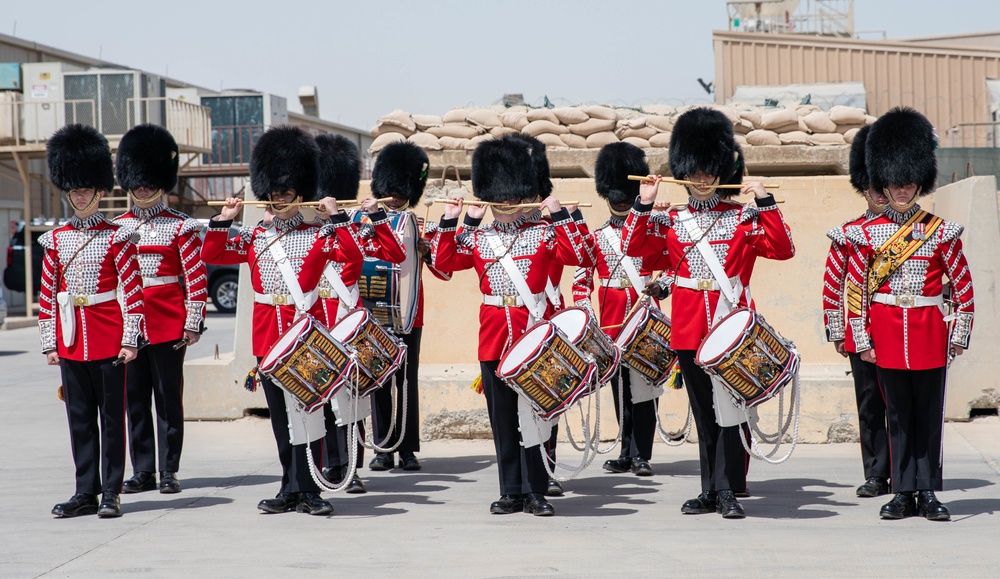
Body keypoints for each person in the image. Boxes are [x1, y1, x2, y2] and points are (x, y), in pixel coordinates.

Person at [622, 107, 795, 519]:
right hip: (688, 328)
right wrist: (643, 204)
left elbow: (783, 248)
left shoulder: (742, 216)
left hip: (730, 327)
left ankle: (729, 488)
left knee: (732, 412)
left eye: (708, 171)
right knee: (705, 415)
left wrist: (766, 201)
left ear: (720, 171)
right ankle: (711, 489)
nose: (701, 179)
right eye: (694, 171)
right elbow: (632, 248)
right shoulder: (670, 220)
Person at [202, 125, 362, 516]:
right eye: (272, 194)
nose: (277, 200)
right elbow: (214, 254)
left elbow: (352, 260)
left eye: (285, 193)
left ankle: (310, 488)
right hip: (267, 340)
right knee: (280, 423)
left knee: (309, 418)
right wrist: (224, 220)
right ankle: (289, 486)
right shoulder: (257, 235)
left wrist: (337, 217)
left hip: (303, 337)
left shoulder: (318, 234)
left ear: (299, 193)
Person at [431, 135, 589, 516]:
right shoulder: (480, 237)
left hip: (533, 336)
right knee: (503, 421)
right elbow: (442, 262)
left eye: (511, 196)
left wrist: (559, 214)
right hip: (494, 337)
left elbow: (580, 254)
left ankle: (536, 490)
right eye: (498, 197)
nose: (504, 205)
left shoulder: (544, 233)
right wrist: (451, 220)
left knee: (535, 417)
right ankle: (510, 490)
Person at [848, 107, 974, 521]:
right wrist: (862, 340)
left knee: (928, 417)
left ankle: (928, 492)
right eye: (895, 184)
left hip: (928, 332)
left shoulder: (941, 230)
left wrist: (959, 334)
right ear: (884, 182)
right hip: (885, 331)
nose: (902, 191)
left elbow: (962, 285)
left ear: (920, 182)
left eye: (908, 184)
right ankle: (902, 491)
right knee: (897, 416)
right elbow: (856, 294)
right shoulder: (863, 234)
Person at [40, 124, 146, 518]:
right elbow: (47, 296)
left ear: (100, 192)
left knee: (111, 420)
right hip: (71, 339)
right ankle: (85, 490)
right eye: (75, 190)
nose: (80, 196)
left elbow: (132, 292)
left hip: (108, 337)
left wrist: (131, 338)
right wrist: (50, 342)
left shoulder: (117, 236)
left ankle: (111, 492)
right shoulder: (55, 240)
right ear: (68, 192)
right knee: (79, 419)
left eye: (86, 190)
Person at [113, 124, 207, 496]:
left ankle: (169, 469)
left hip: (168, 323)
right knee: (135, 401)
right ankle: (143, 470)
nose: (143, 189)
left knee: (168, 400)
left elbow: (195, 277)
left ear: (161, 182)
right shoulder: (116, 228)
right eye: (138, 183)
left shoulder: (180, 226)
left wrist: (193, 322)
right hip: (128, 328)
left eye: (149, 182)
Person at [311, 133, 405, 493]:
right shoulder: (300, 229)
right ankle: (323, 466)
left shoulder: (353, 225)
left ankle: (349, 467)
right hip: (313, 318)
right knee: (316, 399)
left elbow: (395, 254)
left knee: (348, 399)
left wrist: (377, 216)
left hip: (345, 320)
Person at [572, 142, 660, 478]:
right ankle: (626, 450)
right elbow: (582, 279)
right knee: (620, 387)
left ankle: (642, 453)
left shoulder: (649, 230)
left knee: (645, 387)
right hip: (610, 322)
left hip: (643, 316)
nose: (622, 200)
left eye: (626, 194)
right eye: (616, 194)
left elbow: (668, 265)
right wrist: (585, 313)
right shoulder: (596, 238)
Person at [367, 141, 452, 473]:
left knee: (406, 381)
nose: (397, 196)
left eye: (403, 190)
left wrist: (427, 250)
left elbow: (444, 272)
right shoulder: (367, 220)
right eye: (392, 189)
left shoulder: (420, 225)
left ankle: (407, 449)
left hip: (408, 314)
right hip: (375, 311)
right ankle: (383, 447)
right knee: (378, 381)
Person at [820, 125, 891, 499]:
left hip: (899, 326)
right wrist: (836, 330)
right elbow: (834, 282)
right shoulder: (850, 232)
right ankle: (877, 472)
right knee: (869, 405)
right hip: (860, 327)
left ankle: (905, 471)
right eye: (873, 187)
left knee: (902, 405)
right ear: (864, 188)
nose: (879, 193)